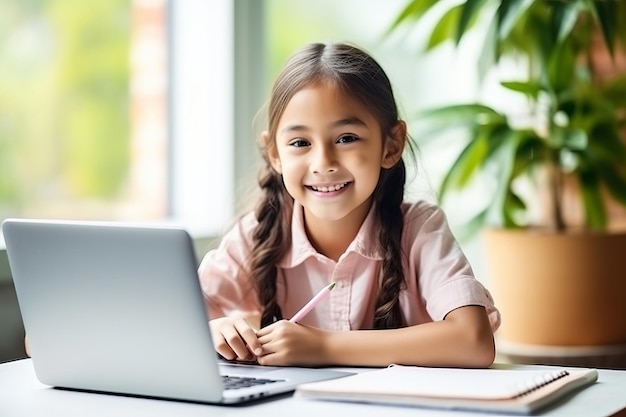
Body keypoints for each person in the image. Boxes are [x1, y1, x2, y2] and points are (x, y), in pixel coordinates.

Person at [199, 42, 500, 368]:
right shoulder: (256, 235)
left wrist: (325, 346)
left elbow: (473, 341)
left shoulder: (419, 231)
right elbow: (168, 321)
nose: (323, 162)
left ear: (391, 144)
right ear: (275, 154)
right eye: (300, 143)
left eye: (346, 138)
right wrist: (215, 328)